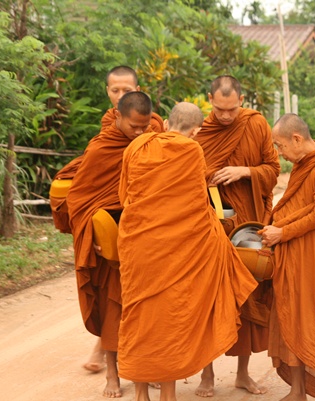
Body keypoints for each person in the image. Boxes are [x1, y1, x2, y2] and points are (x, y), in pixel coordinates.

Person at [117, 102, 258, 401]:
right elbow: (196, 206)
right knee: (168, 321)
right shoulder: (192, 151)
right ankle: (168, 395)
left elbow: (124, 194)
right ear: (195, 132)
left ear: (166, 124)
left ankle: (141, 394)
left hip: (138, 246)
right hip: (173, 251)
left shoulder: (139, 145)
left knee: (139, 317)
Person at [50, 66, 165, 378]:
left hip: (145, 229)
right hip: (111, 232)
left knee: (149, 301)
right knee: (112, 298)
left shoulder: (155, 131)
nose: (121, 95)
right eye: (115, 90)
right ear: (109, 95)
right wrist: (91, 233)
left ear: (139, 88)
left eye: (127, 89)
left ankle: (149, 368)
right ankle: (112, 364)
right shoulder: (104, 141)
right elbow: (82, 197)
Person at [194, 75, 280, 397]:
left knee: (247, 297)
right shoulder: (201, 132)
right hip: (210, 223)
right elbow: (187, 174)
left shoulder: (256, 125)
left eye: (232, 109)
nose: (226, 116)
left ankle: (243, 374)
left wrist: (245, 172)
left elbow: (272, 169)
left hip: (246, 223)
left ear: (242, 100)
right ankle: (206, 375)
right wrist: (210, 177)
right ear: (209, 100)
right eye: (220, 109)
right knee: (209, 297)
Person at [66, 91, 154, 398]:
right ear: (117, 116)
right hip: (109, 244)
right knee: (112, 310)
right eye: (134, 127)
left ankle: (146, 369)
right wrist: (94, 239)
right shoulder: (101, 149)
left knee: (147, 309)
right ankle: (113, 375)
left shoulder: (151, 142)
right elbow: (79, 201)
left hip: (143, 239)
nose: (140, 133)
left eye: (145, 127)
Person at [261, 113, 315, 401]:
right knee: (291, 317)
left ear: (297, 139)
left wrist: (281, 232)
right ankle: (297, 390)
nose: (280, 154)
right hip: (294, 253)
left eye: (281, 146)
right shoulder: (303, 164)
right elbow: (298, 204)